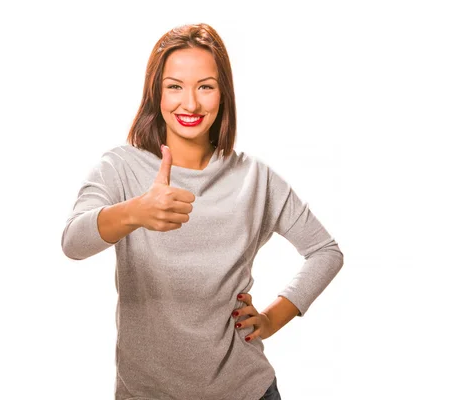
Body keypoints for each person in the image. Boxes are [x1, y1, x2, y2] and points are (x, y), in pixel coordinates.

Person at [61, 23, 344, 400]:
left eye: (205, 87)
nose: (190, 104)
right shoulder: (120, 167)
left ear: (223, 94)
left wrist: (272, 318)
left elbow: (325, 252)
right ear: (155, 94)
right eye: (174, 86)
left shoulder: (254, 178)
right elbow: (73, 242)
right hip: (147, 393)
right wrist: (135, 213)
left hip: (246, 389)